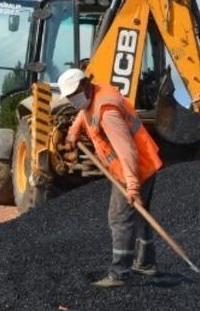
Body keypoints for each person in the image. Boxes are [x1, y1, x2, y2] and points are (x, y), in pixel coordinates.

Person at [57, 68, 164, 287]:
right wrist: (75, 130)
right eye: (68, 97)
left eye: (73, 95)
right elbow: (84, 112)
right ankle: (145, 263)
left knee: (119, 216)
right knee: (141, 216)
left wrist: (132, 184)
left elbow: (127, 151)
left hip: (133, 168)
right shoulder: (93, 96)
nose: (71, 100)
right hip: (145, 163)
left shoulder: (107, 112)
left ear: (86, 86)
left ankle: (119, 272)